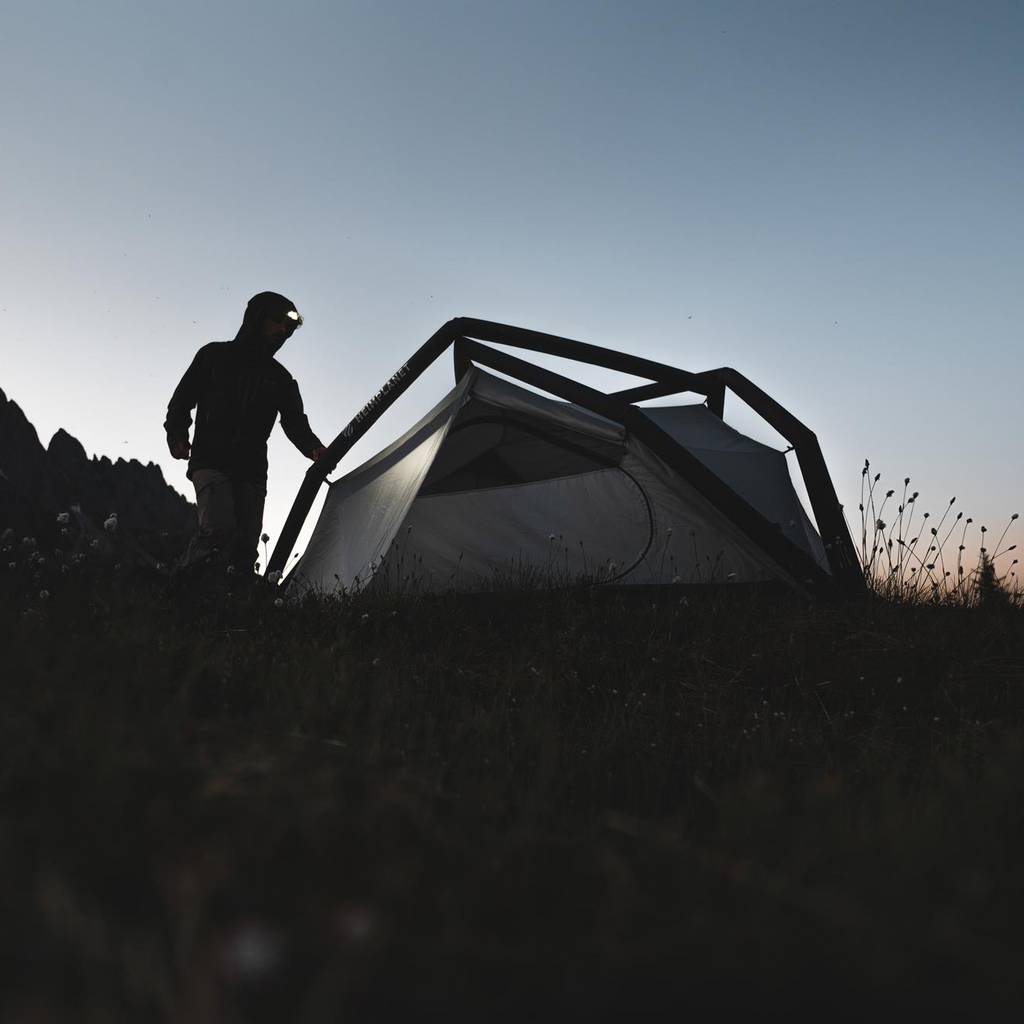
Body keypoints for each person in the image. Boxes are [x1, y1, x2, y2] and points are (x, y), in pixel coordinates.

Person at [164, 291, 326, 586]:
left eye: (288, 327)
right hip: (211, 461)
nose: (282, 330)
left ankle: (236, 608)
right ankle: (177, 593)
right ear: (256, 318)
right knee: (217, 528)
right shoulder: (213, 356)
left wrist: (314, 448)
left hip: (251, 471)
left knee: (245, 549)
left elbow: (295, 422)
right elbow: (182, 399)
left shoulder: (281, 379)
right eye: (275, 320)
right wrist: (177, 435)